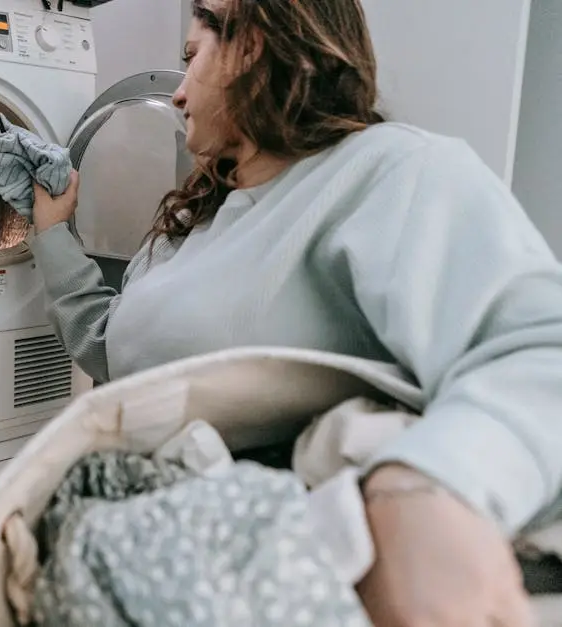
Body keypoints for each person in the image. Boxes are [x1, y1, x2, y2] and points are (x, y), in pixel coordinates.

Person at [27, 0, 562, 624]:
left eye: (191, 56)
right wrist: (52, 231)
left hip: (294, 569)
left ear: (250, 44)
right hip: (161, 564)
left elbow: (533, 349)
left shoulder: (388, 171)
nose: (175, 95)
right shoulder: (191, 225)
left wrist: (426, 487)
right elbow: (115, 356)